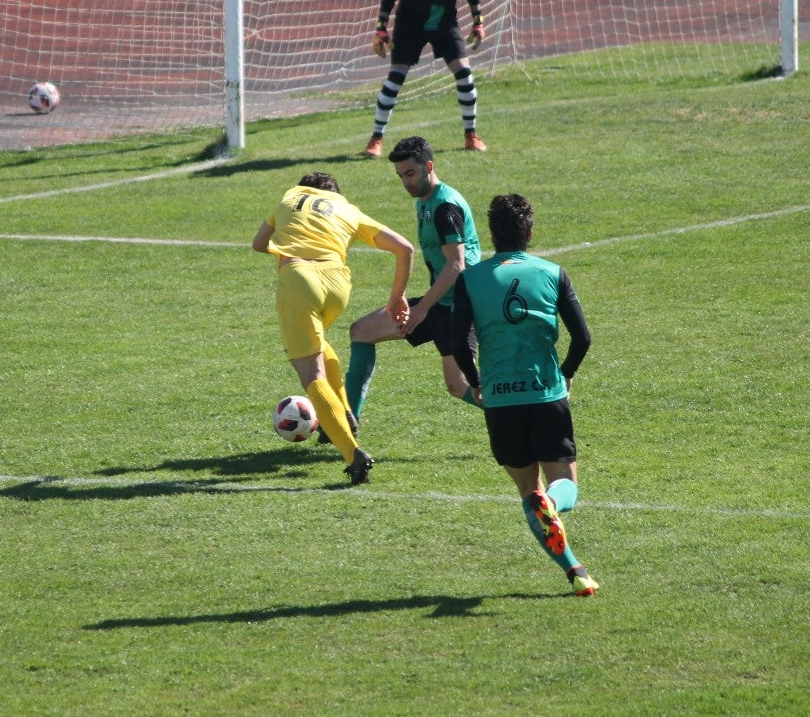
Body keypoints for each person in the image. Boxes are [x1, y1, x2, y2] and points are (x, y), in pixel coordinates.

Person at [448, 194, 598, 596]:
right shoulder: (552, 272)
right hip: (546, 394)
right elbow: (582, 338)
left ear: (493, 234)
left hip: (500, 401)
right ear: (530, 232)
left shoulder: (471, 278)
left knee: (528, 493)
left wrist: (476, 380)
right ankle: (552, 504)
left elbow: (457, 340)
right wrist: (564, 376)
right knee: (563, 488)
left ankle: (576, 571)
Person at [253, 172, 414, 485]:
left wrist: (286, 241)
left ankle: (354, 455)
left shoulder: (290, 197)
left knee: (312, 375)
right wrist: (396, 299)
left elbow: (259, 243)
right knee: (319, 344)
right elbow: (405, 248)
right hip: (338, 284)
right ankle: (343, 413)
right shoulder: (347, 209)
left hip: (300, 279)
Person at [344, 136, 483, 430]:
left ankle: (519, 417)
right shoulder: (425, 201)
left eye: (410, 173)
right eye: (400, 176)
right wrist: (403, 298)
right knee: (361, 331)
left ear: (428, 166)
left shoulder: (445, 206)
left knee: (458, 386)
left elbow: (456, 265)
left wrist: (421, 311)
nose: (405, 182)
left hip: (460, 308)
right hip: (439, 303)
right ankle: (347, 424)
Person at [365, 0, 488, 157]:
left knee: (464, 74)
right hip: (410, 24)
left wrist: (478, 22)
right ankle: (376, 139)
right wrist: (381, 28)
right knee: (395, 78)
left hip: (445, 24)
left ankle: (470, 135)